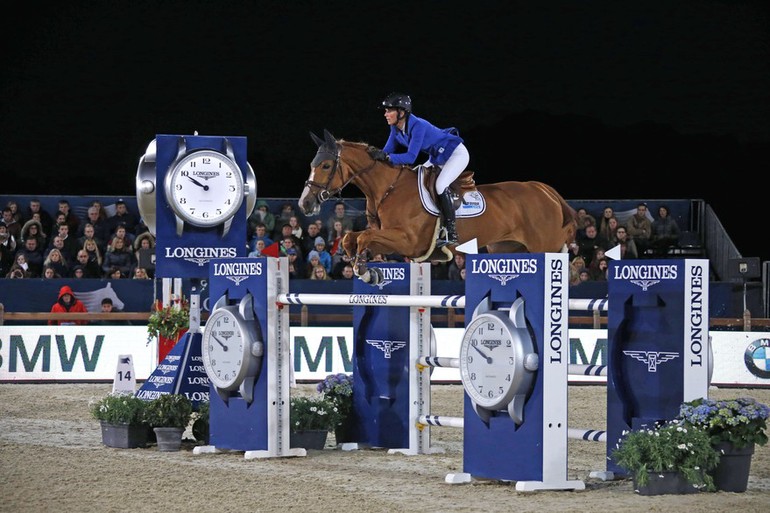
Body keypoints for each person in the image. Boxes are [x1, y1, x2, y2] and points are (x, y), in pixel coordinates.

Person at [374, 92, 468, 246]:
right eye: (386, 111)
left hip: (455, 153)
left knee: (440, 185)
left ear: (401, 112)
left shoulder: (418, 125)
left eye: (389, 110)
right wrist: (375, 155)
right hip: (437, 157)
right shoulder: (395, 128)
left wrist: (388, 158)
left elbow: (410, 157)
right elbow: (387, 150)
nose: (385, 114)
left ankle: (451, 232)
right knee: (415, 176)